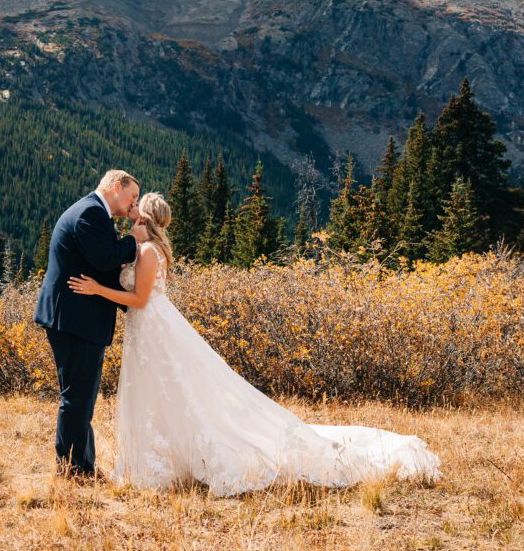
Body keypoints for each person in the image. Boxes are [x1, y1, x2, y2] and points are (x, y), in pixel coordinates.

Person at [67, 191, 440, 496]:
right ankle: (160, 458)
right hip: (146, 331)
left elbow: (141, 299)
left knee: (171, 392)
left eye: (134, 207)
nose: (128, 209)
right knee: (160, 394)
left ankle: (167, 461)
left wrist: (97, 289)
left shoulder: (148, 252)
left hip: (151, 326)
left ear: (143, 218)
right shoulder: (145, 248)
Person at [34, 169, 147, 477]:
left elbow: (102, 266)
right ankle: (71, 470)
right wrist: (133, 239)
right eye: (132, 196)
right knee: (77, 398)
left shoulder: (94, 212)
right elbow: (104, 259)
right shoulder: (90, 214)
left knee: (82, 396)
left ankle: (83, 465)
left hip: (77, 317)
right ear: (115, 186)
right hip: (74, 319)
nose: (134, 202)